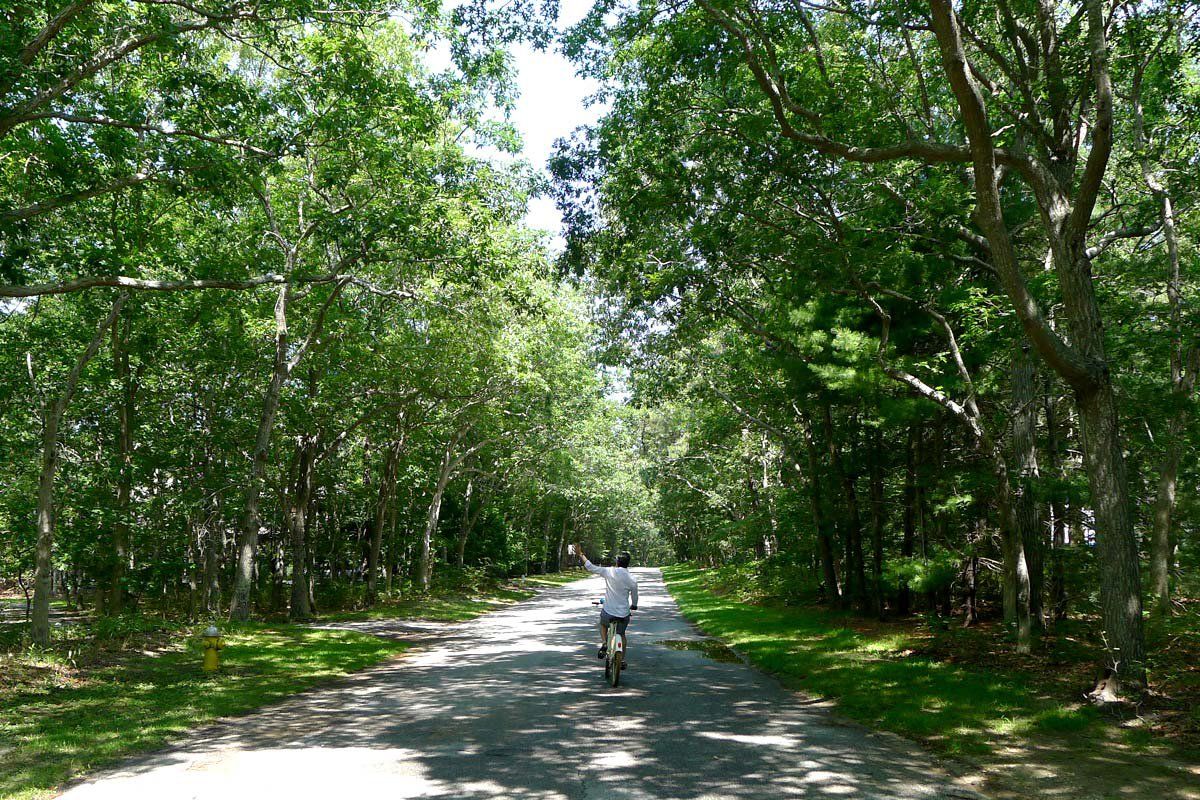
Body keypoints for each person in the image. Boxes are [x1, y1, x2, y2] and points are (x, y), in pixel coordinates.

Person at [574, 543, 638, 663]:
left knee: (603, 624)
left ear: (617, 562)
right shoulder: (632, 579)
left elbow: (590, 566)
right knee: (622, 634)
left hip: (608, 611)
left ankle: (604, 643)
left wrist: (581, 554)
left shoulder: (609, 571)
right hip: (623, 614)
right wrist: (634, 605)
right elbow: (635, 596)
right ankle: (622, 660)